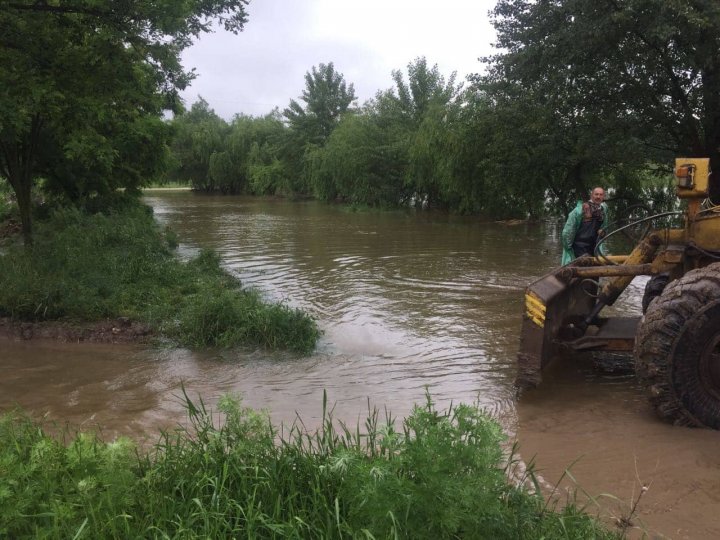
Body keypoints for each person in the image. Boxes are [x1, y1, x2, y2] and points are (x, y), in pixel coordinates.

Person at [561, 187, 609, 265]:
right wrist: (568, 249)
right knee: (580, 272)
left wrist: (603, 232)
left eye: (601, 195)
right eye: (596, 194)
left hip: (595, 247)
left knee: (595, 273)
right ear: (591, 195)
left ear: (603, 197)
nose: (598, 197)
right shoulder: (579, 211)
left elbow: (605, 227)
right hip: (579, 248)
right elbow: (567, 232)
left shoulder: (603, 210)